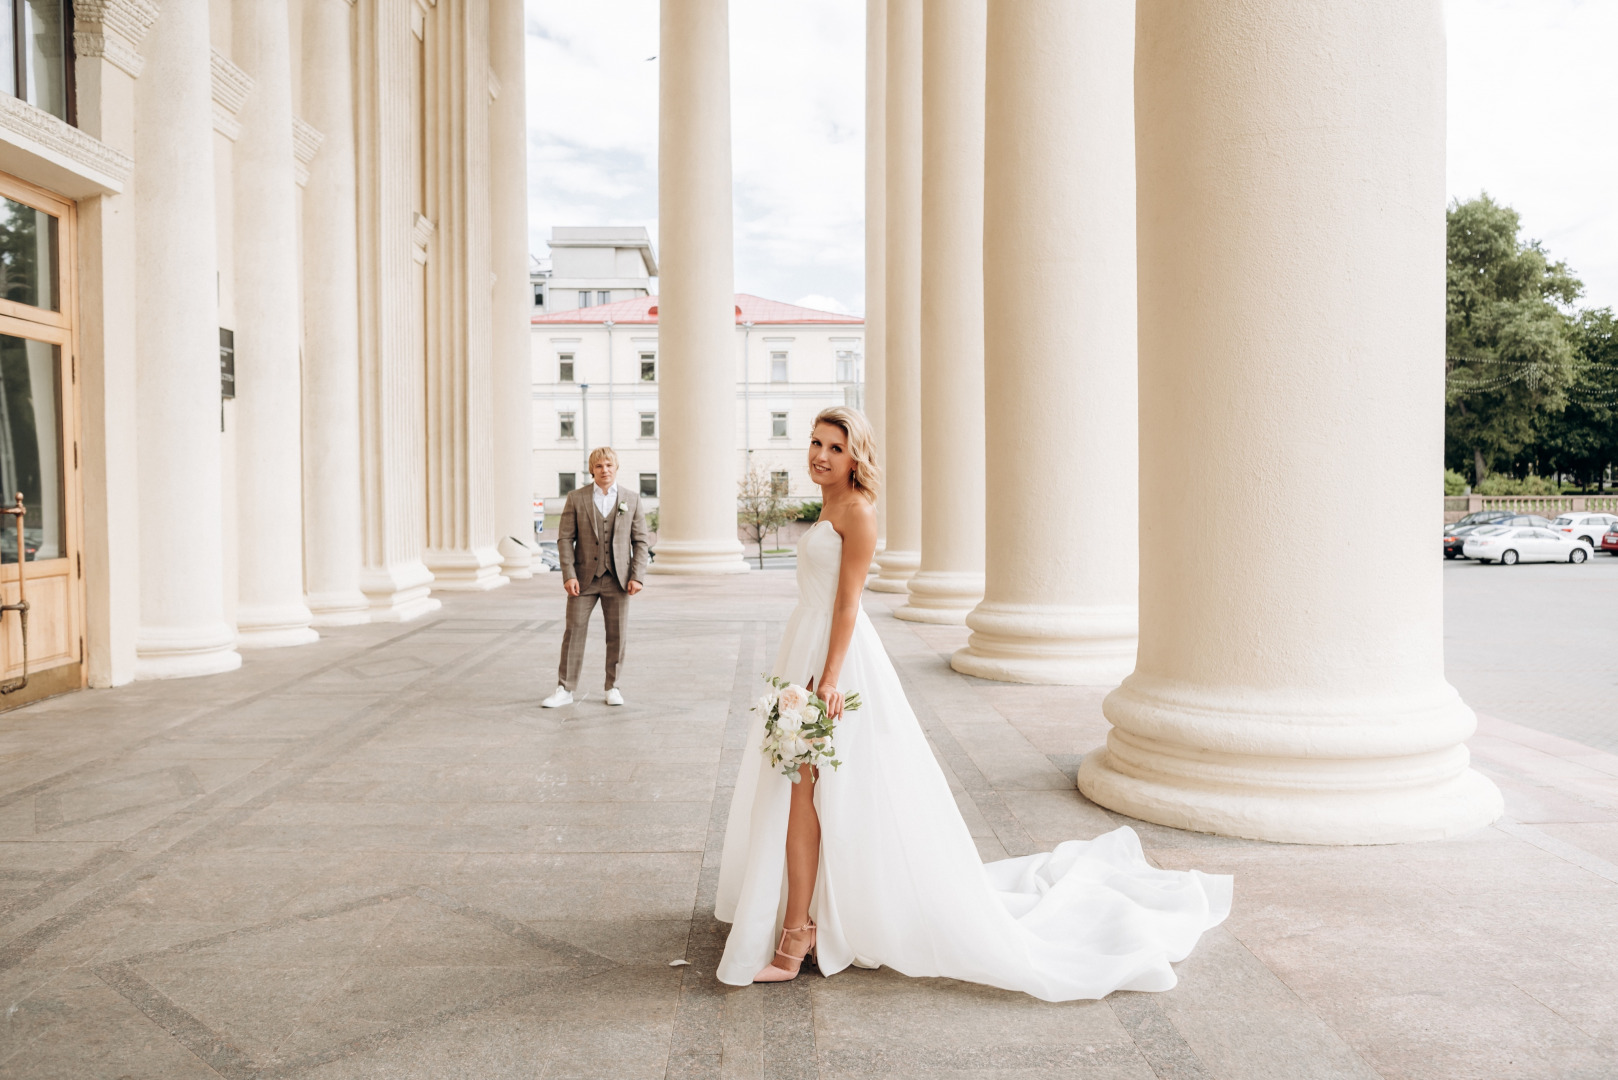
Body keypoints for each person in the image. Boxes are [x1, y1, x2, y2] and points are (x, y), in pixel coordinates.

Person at [714, 406, 1232, 1000]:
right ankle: (804, 921)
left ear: (856, 456)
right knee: (799, 792)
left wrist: (825, 680)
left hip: (834, 662)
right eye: (814, 443)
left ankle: (797, 933)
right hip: (802, 647)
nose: (819, 455)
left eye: (834, 447)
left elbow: (848, 606)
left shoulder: (858, 513)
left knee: (808, 791)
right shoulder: (826, 506)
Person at [541, 447, 650, 708]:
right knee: (574, 632)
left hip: (619, 579)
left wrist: (638, 576)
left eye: (609, 465)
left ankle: (613, 687)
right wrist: (568, 574)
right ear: (592, 470)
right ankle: (565, 689)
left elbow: (641, 541)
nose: (605, 470)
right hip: (583, 579)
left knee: (617, 634)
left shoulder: (631, 499)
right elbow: (565, 538)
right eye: (599, 466)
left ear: (616, 468)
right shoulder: (576, 498)